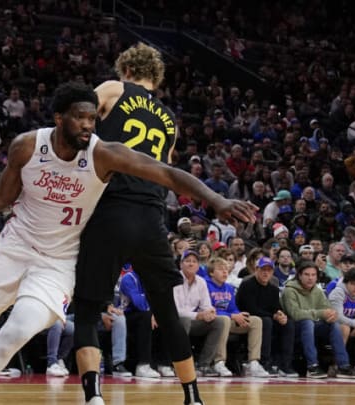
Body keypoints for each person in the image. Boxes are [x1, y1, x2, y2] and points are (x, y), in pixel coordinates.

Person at [0, 83, 256, 405]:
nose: (88, 125)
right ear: (59, 118)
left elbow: (166, 173)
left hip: (58, 263)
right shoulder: (27, 146)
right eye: (80, 117)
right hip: (14, 248)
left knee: (16, 332)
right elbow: (3, 194)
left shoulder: (103, 154)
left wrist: (217, 199)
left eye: (93, 118)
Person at [73, 44, 255, 405]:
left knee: (88, 309)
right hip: (152, 216)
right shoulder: (169, 119)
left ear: (125, 68)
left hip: (109, 209)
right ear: (155, 77)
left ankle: (93, 395)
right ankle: (192, 396)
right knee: (168, 312)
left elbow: (77, 120)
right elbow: (166, 172)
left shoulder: (113, 88)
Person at [281, 261, 355, 379]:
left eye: (313, 275)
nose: (310, 278)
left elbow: (327, 308)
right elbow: (295, 314)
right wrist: (321, 313)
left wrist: (332, 315)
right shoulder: (289, 290)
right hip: (294, 328)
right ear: (299, 275)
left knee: (334, 325)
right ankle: (312, 366)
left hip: (313, 327)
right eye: (307, 274)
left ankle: (343, 366)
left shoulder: (317, 290)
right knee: (307, 322)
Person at [205, 257, 269, 377]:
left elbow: (233, 308)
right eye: (220, 269)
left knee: (256, 321)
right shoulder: (205, 285)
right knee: (224, 320)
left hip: (229, 320)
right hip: (212, 322)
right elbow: (208, 309)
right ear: (211, 273)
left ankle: (253, 362)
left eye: (226, 269)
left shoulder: (229, 288)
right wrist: (232, 315)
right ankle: (219, 362)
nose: (225, 272)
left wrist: (239, 316)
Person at [235, 257, 296, 377]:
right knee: (266, 321)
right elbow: (251, 309)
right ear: (256, 270)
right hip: (247, 320)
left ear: (273, 272)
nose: (266, 273)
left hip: (267, 318)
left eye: (269, 270)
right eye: (263, 269)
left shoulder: (273, 289)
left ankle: (285, 364)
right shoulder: (247, 285)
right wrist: (273, 316)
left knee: (288, 324)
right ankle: (264, 361)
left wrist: (281, 315)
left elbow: (276, 307)